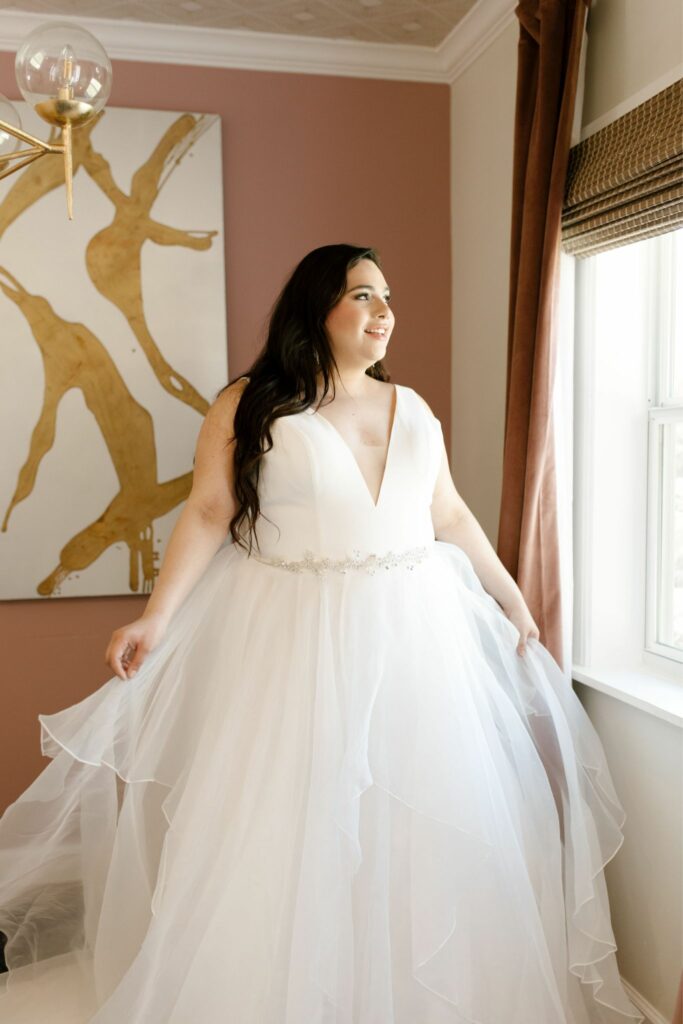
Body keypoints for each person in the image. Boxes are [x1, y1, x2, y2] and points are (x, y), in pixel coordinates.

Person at [0, 244, 644, 1023]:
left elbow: (447, 512)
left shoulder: (412, 407)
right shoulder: (250, 403)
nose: (383, 313)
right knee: (295, 823)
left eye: (386, 298)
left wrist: (508, 595)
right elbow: (208, 511)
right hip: (295, 638)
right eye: (363, 297)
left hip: (418, 636)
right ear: (319, 309)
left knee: (422, 818)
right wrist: (156, 616)